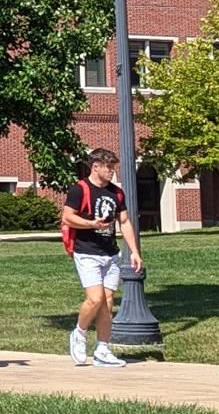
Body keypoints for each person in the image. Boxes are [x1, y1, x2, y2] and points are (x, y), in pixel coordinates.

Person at [63, 147, 144, 368]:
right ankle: (79, 333)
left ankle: (102, 349)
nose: (111, 171)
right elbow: (68, 217)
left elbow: (124, 222)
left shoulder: (116, 193)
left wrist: (134, 252)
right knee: (95, 299)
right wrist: (91, 224)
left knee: (107, 303)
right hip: (87, 252)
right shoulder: (80, 189)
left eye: (113, 167)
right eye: (108, 167)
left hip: (111, 254)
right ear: (95, 166)